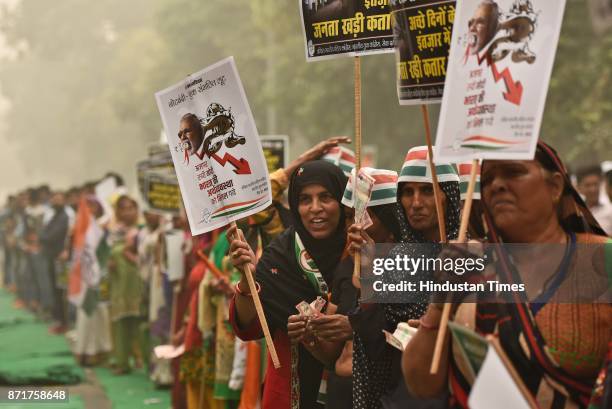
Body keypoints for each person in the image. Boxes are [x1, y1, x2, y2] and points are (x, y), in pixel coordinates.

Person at [402, 141, 612, 408]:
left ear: (556, 187)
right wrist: (440, 302)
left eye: (513, 172)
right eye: (487, 179)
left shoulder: (603, 260)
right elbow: (421, 384)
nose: (497, 186)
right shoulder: (471, 269)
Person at [228, 160, 348, 409]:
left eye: (325, 197)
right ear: (295, 205)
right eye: (305, 199)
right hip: (289, 390)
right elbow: (249, 327)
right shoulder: (279, 256)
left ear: (343, 201)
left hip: (353, 390)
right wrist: (246, 278)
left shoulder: (362, 250)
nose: (315, 208)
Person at [347, 147, 461, 409]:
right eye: (407, 193)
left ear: (449, 196)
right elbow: (371, 343)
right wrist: (370, 277)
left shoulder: (473, 253)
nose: (416, 203)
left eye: (427, 191)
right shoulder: (392, 260)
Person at [310, 167, 403, 409]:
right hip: (341, 394)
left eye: (363, 217)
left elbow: (397, 339)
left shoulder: (409, 268)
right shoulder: (346, 267)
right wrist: (311, 333)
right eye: (350, 217)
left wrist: (354, 327)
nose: (354, 227)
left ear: (391, 220)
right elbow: (331, 354)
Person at [108, 195, 147, 374]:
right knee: (120, 322)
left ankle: (142, 359)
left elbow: (146, 258)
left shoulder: (142, 230)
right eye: (122, 208)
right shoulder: (114, 231)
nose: (127, 212)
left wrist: (127, 254)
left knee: (138, 321)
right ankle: (122, 361)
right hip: (118, 284)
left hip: (138, 282)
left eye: (130, 208)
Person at [576, 164, 612, 235]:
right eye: (588, 185)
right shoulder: (576, 213)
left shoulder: (609, 210)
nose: (593, 189)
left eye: (595, 184)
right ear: (579, 188)